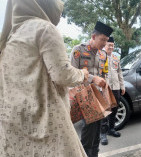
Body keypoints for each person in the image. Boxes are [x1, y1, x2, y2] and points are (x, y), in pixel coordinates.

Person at [0, 0, 89, 156]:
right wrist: (83, 74)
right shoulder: (44, 29)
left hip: (15, 127)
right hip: (47, 124)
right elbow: (62, 75)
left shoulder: (9, 39)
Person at [71, 21, 113, 157]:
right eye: (102, 40)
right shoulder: (78, 50)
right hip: (84, 96)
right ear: (93, 36)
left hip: (99, 97)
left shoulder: (103, 54)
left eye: (106, 41)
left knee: (97, 133)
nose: (104, 43)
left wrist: (104, 84)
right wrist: (92, 79)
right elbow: (72, 74)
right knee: (89, 132)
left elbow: (104, 74)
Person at [100, 37, 125, 145]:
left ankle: (111, 129)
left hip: (116, 87)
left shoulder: (115, 57)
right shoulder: (100, 56)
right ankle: (103, 134)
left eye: (112, 45)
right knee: (105, 111)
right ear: (105, 44)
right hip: (105, 88)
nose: (111, 47)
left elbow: (119, 73)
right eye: (109, 45)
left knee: (114, 109)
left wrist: (122, 86)